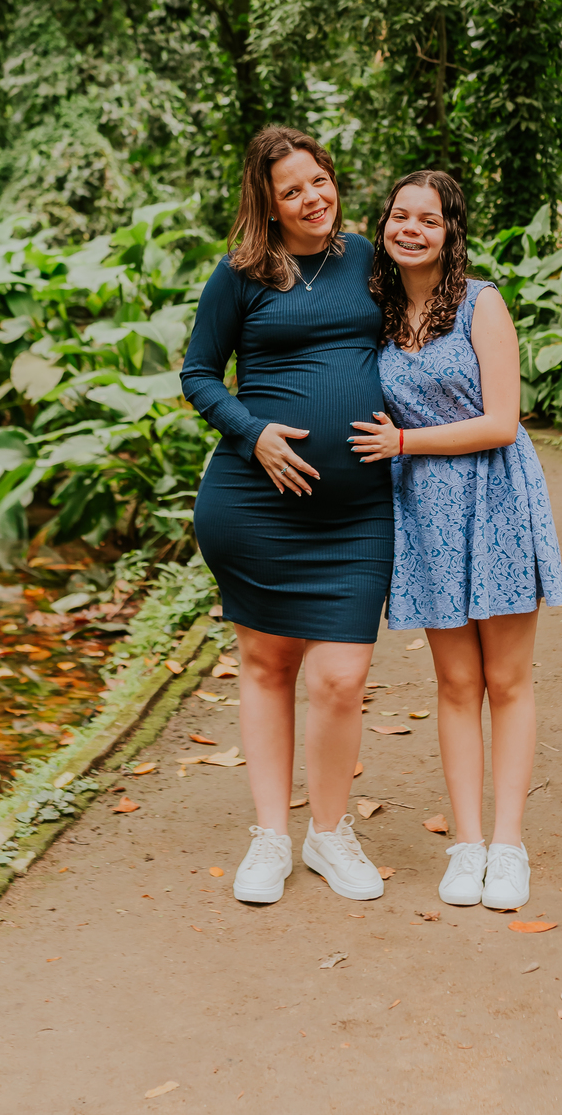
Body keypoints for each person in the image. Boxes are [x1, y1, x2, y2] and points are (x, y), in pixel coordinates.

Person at [180, 127, 393, 907]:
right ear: (267, 205)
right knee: (268, 668)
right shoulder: (239, 275)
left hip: (359, 511)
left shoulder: (369, 259)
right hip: (255, 505)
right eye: (292, 190)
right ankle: (271, 835)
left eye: (320, 181)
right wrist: (254, 431)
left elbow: (426, 326)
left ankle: (329, 834)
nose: (313, 198)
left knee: (341, 677)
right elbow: (198, 373)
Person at [350, 171, 562, 912]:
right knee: (453, 685)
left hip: (496, 497)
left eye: (429, 219)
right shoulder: (374, 313)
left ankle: (508, 846)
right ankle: (465, 843)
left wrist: (405, 439)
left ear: (450, 231)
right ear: (383, 224)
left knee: (505, 682)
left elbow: (502, 421)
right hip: (427, 515)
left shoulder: (482, 302)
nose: (412, 228)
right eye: (400, 216)